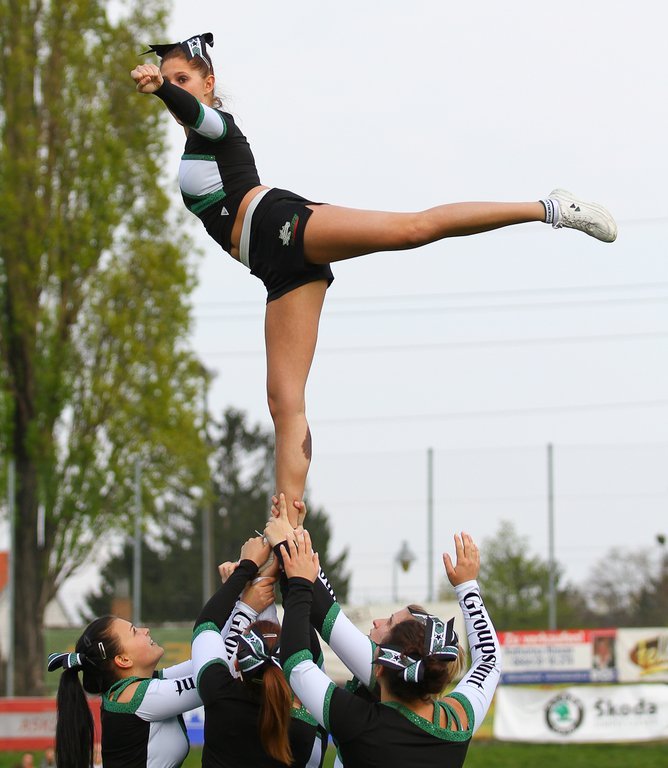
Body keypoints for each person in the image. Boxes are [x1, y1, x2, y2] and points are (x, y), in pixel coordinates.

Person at [130, 33, 618, 524]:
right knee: (284, 402)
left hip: (282, 225)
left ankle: (550, 208)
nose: (175, 87)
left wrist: (161, 89)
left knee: (412, 230)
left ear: (209, 83)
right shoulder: (194, 142)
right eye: (170, 79)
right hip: (274, 270)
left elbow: (195, 113)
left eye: (183, 79)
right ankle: (288, 531)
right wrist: (165, 89)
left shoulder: (217, 126)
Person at [269, 520, 499, 768]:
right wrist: (467, 586)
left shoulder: (359, 723)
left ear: (377, 669)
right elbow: (489, 660)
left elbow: (303, 656)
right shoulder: (456, 723)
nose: (377, 623)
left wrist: (293, 553)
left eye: (389, 623)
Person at [191, 535, 328, 767]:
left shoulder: (217, 692)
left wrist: (246, 573)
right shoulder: (303, 728)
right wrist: (290, 578)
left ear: (236, 663)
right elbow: (313, 661)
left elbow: (206, 626)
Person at [48, 617, 202, 768]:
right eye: (134, 631)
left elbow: (204, 665)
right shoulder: (137, 696)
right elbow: (210, 678)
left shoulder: (134, 689)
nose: (146, 630)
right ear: (123, 660)